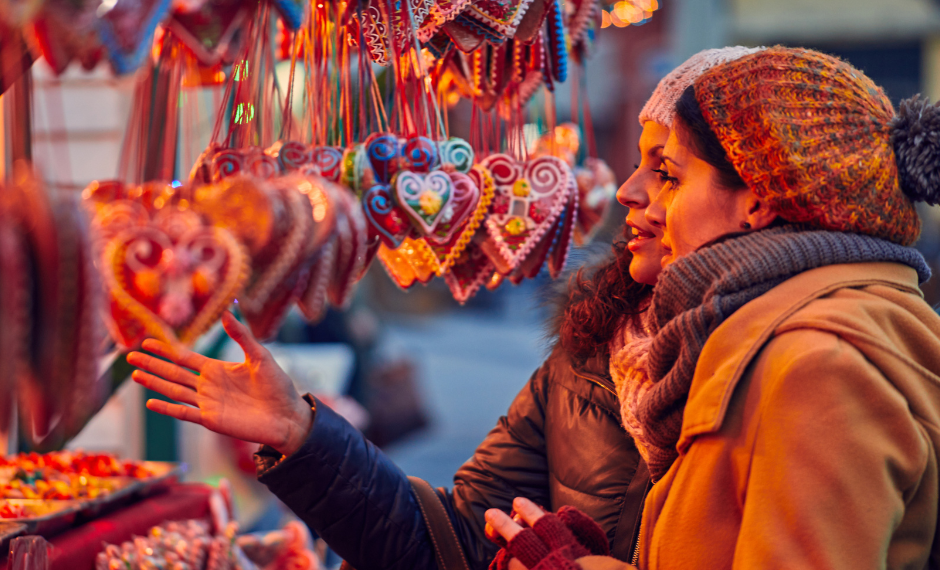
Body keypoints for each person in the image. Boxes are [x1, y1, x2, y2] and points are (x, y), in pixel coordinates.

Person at [126, 47, 760, 570]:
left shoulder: (803, 363)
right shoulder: (595, 355)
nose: (629, 191)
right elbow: (451, 544)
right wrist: (303, 433)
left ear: (758, 199)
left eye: (668, 172)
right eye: (638, 165)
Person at [484, 46, 940, 570]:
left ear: (757, 201)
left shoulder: (818, 366)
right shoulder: (775, 336)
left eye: (672, 177)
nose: (649, 201)